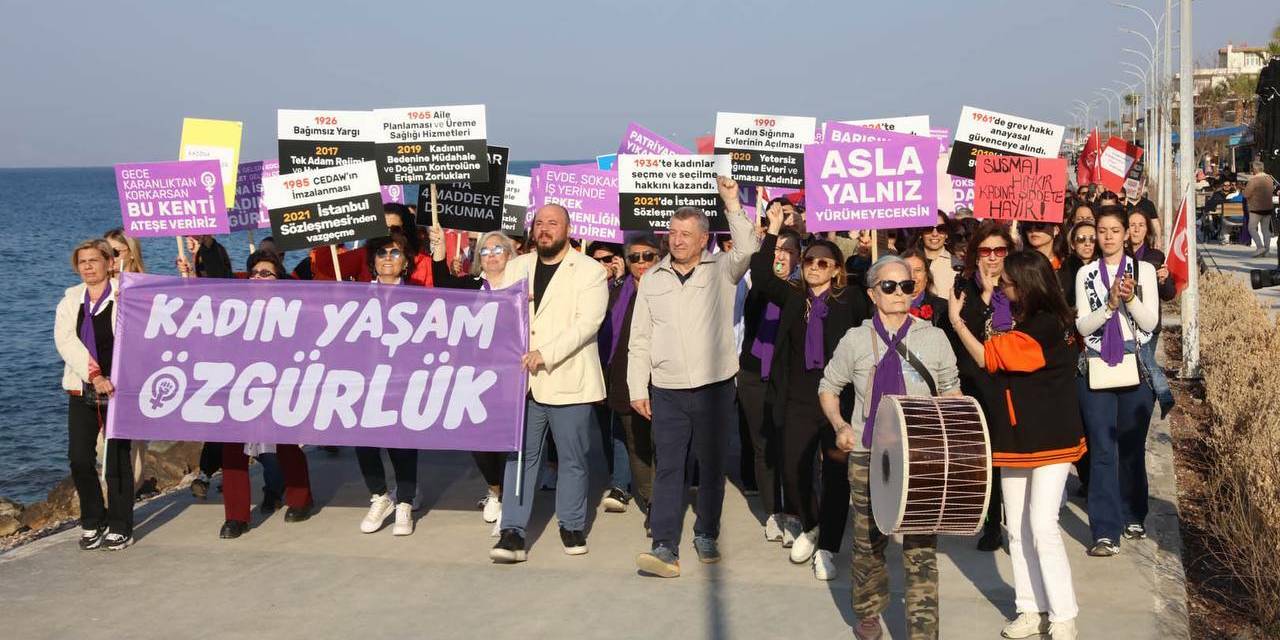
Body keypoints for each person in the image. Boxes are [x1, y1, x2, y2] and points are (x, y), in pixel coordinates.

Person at [818, 255, 961, 640]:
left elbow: (951, 390)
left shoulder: (934, 338)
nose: (899, 293)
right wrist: (840, 425)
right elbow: (829, 387)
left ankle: (923, 632)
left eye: (906, 285)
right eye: (889, 286)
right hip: (869, 456)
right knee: (868, 542)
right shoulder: (854, 339)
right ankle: (868, 612)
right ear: (872, 293)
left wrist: (954, 438)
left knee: (921, 549)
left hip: (921, 457)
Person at [949, 251, 1085, 640]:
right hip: (1016, 436)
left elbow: (987, 357)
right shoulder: (1037, 319)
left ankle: (1063, 616)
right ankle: (1029, 607)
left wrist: (957, 322)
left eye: (1006, 283)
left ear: (1025, 285)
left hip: (1049, 438)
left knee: (1041, 525)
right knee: (1018, 528)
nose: (1001, 287)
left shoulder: (1044, 326)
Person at [630, 176, 760, 577]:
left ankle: (706, 532)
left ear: (704, 239)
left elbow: (749, 246)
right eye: (672, 232)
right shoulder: (652, 279)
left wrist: (732, 202)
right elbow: (640, 338)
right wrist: (637, 387)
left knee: (711, 465)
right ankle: (664, 545)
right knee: (669, 467)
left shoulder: (722, 269)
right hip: (667, 390)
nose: (677, 240)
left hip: (714, 387)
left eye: (686, 234)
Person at [751, 204, 871, 580]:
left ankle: (829, 547)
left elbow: (876, 313)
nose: (815, 267)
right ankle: (811, 525)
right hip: (798, 399)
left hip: (839, 400)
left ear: (836, 269)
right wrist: (773, 229)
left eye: (823, 262)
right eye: (809, 261)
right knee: (794, 470)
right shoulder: (792, 295)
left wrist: (873, 246)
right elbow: (761, 275)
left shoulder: (850, 299)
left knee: (835, 475)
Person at [489, 204, 609, 563]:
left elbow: (587, 323)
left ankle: (571, 524)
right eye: (539, 223)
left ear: (567, 230)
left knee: (573, 458)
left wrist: (546, 353)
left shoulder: (589, 270)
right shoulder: (517, 266)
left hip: (568, 377)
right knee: (519, 457)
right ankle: (512, 530)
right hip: (524, 382)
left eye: (552, 223)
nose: (544, 229)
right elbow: (496, 315)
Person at [1075, 205, 1159, 556]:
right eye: (1102, 231)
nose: (1108, 237)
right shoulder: (1086, 274)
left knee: (1131, 446)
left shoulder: (1144, 270)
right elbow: (1083, 326)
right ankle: (1105, 531)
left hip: (1134, 367)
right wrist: (1109, 304)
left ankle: (1132, 512)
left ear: (1126, 234)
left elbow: (1150, 322)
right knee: (1102, 449)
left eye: (1114, 230)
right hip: (1097, 367)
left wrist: (1131, 298)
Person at [429, 227, 521, 530]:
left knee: (508, 439)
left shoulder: (522, 286)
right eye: (485, 250)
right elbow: (442, 284)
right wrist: (439, 250)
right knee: (479, 439)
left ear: (510, 255)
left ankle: (510, 504)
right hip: (474, 375)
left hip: (511, 376)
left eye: (498, 250)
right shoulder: (472, 285)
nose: (492, 255)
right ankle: (495, 490)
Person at [218, 251, 315, 539]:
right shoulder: (235, 307)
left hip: (279, 385)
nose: (258, 277)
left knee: (285, 445)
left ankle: (301, 498)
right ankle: (236, 516)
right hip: (239, 387)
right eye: (254, 273)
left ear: (278, 278)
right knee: (232, 450)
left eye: (266, 273)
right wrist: (188, 277)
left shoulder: (292, 309)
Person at [55, 239, 133, 550]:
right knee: (79, 458)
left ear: (109, 263)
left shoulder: (125, 294)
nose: (87, 266)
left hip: (119, 388)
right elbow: (66, 341)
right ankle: (93, 519)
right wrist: (94, 375)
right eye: (82, 262)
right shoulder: (70, 300)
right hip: (83, 386)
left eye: (93, 260)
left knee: (116, 460)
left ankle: (121, 525)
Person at [949, 221, 1016, 552]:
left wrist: (998, 295)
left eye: (999, 250)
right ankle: (991, 524)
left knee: (1012, 459)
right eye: (985, 251)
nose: (992, 257)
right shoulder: (963, 288)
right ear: (975, 255)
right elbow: (961, 337)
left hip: (1014, 384)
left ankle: (1015, 523)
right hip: (977, 383)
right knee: (987, 459)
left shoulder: (1020, 286)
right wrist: (986, 297)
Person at [354, 232, 422, 536]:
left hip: (403, 381)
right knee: (364, 443)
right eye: (381, 253)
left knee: (402, 445)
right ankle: (380, 496)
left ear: (405, 261)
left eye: (395, 253)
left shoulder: (419, 297)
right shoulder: (357, 296)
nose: (387, 258)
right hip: (365, 380)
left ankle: (405, 501)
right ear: (373, 261)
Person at [739, 226, 802, 544]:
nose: (781, 255)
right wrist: (771, 233)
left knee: (790, 447)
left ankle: (794, 512)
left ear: (799, 258)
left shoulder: (801, 293)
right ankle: (772, 512)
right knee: (763, 447)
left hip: (788, 379)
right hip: (754, 376)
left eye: (788, 250)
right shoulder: (759, 288)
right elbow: (761, 272)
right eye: (777, 249)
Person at [600, 233, 664, 532]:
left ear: (659, 258)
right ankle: (652, 502)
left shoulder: (670, 291)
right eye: (634, 257)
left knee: (662, 446)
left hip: (664, 380)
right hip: (625, 380)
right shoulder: (616, 293)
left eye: (648, 256)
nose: (641, 262)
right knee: (637, 445)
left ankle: (663, 501)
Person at [177, 235, 233, 499]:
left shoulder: (218, 268)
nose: (190, 242)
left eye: (193, 238)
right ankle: (210, 474)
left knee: (228, 424)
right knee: (217, 424)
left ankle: (216, 474)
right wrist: (188, 277)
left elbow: (215, 274)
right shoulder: (198, 273)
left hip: (229, 363)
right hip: (209, 364)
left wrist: (205, 242)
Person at [103, 228, 152, 498]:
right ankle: (118, 495)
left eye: (114, 252)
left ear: (130, 254)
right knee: (102, 443)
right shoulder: (97, 289)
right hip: (104, 374)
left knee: (133, 442)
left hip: (135, 372)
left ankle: (125, 497)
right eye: (104, 252)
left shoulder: (144, 287)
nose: (109, 259)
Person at [1128, 211, 1177, 417]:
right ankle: (1157, 398)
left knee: (1144, 362)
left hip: (1149, 322)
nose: (1136, 229)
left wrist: (1164, 280)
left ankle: (1159, 397)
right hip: (1125, 321)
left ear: (1147, 230)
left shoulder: (1156, 257)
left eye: (1141, 225)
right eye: (1132, 225)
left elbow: (1169, 295)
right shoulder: (1117, 255)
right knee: (1140, 364)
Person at [898, 249, 948, 327]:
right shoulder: (885, 306)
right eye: (906, 270)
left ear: (926, 276)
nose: (912, 276)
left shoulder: (943, 308)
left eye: (918, 270)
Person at [916, 211, 957, 298]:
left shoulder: (957, 265)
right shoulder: (907, 262)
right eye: (928, 228)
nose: (935, 234)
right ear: (921, 233)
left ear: (946, 234)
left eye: (941, 229)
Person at [1244, 160, 1277, 257]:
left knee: (1251, 228)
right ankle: (1267, 251)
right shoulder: (1269, 178)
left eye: (1252, 169)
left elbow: (1246, 194)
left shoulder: (1253, 180)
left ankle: (1260, 247)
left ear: (1255, 169)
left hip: (1256, 208)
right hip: (1268, 207)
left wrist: (1244, 191)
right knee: (1265, 230)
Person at [1062, 221, 1097, 308]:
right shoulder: (1064, 270)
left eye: (1093, 239)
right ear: (1073, 244)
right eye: (1081, 239)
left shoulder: (1105, 266)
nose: (1087, 244)